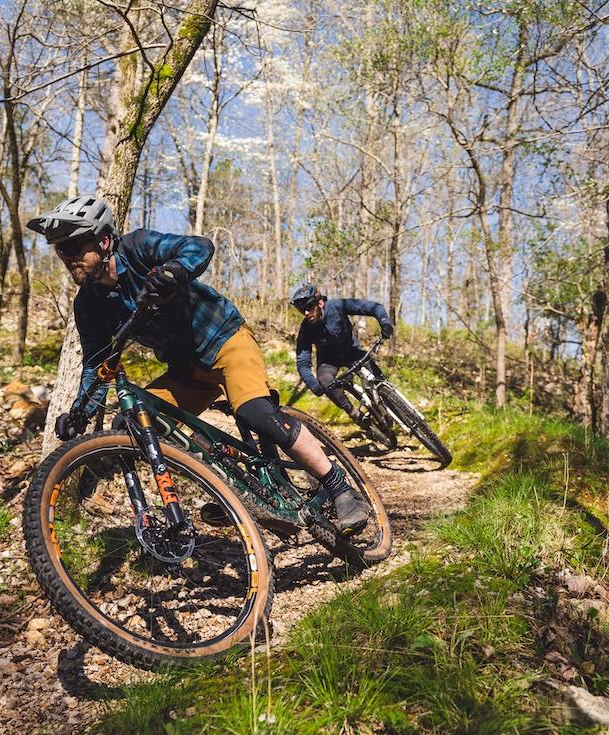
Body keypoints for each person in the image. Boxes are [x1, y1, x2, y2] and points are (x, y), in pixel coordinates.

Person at [27, 196, 371, 529]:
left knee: (254, 412)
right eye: (60, 251)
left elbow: (199, 246)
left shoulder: (138, 247)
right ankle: (230, 489)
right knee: (130, 423)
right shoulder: (88, 305)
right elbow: (97, 363)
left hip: (225, 341)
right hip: (186, 371)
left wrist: (175, 271)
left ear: (103, 241)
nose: (67, 257)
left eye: (73, 247)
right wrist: (80, 412)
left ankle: (341, 490)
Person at [292, 284, 394, 432]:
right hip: (328, 361)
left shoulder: (337, 306)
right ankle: (352, 412)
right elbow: (302, 362)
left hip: (351, 350)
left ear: (320, 302)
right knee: (326, 382)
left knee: (377, 378)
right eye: (302, 310)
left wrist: (385, 322)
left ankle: (390, 404)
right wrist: (313, 385)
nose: (307, 313)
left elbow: (373, 307)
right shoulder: (306, 329)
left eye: (309, 307)